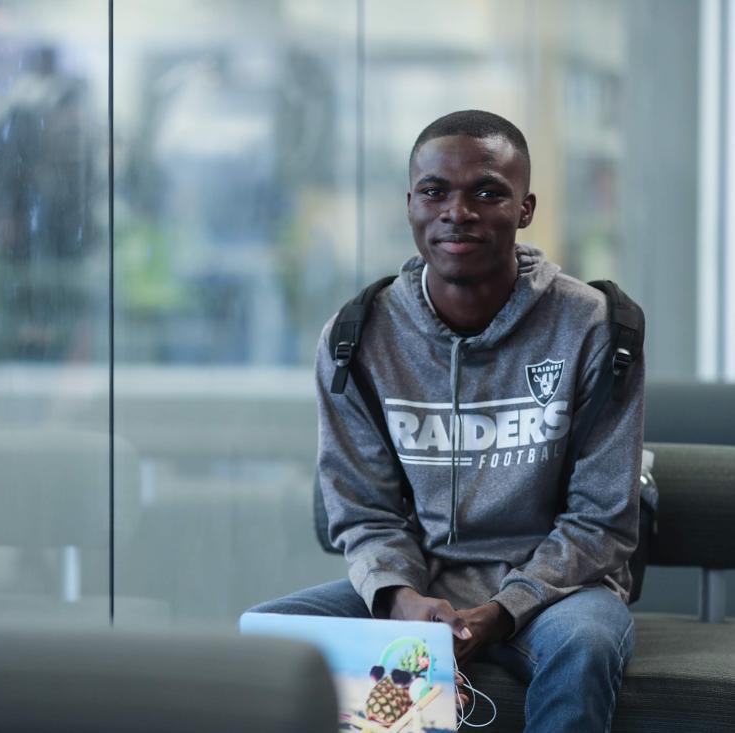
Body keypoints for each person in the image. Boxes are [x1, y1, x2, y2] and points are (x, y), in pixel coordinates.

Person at [250, 110, 643, 733]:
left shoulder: (594, 326)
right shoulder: (357, 338)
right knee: (267, 641)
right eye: (435, 191)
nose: (457, 211)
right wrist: (401, 599)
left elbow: (601, 519)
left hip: (560, 595)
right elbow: (362, 510)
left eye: (487, 192)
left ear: (526, 208)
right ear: (410, 204)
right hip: (421, 582)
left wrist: (504, 608)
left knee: (584, 645)